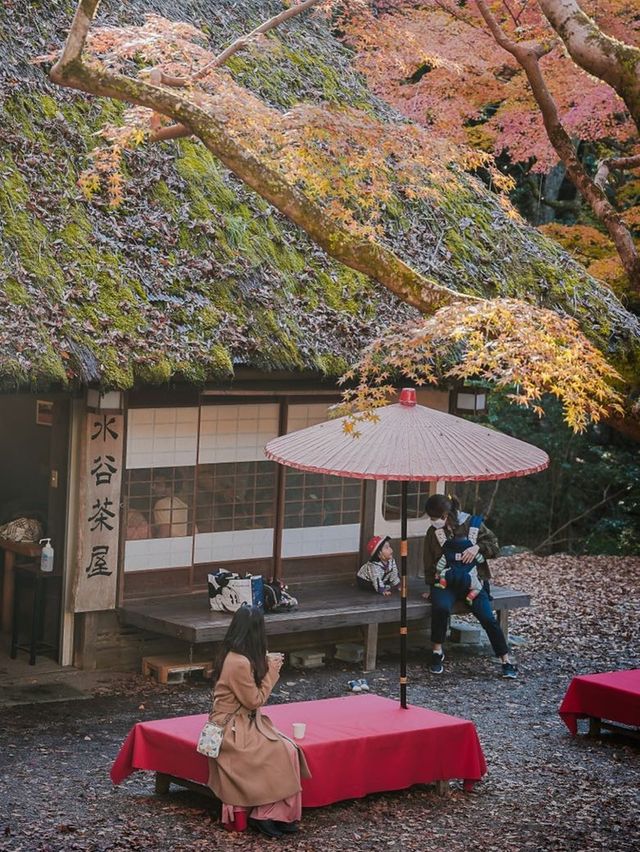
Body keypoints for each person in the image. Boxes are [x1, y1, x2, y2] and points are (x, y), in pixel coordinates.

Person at [207, 605, 311, 838]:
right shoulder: (238, 662)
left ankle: (277, 812)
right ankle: (265, 813)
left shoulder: (235, 654)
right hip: (232, 728)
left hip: (242, 722)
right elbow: (254, 700)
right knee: (278, 750)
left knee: (290, 748)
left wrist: (264, 663)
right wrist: (272, 672)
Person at [423, 494, 518, 678]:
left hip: (473, 583)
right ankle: (436, 652)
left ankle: (505, 660)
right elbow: (428, 561)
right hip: (445, 582)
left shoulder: (471, 524)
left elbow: (494, 546)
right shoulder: (432, 532)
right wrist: (431, 587)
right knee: (441, 607)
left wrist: (477, 548)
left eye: (434, 518)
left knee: (486, 616)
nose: (432, 522)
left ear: (445, 515)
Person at [152, 468, 189, 537]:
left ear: (170, 488)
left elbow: (165, 533)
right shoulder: (183, 504)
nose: (153, 487)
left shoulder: (161, 504)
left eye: (158, 485)